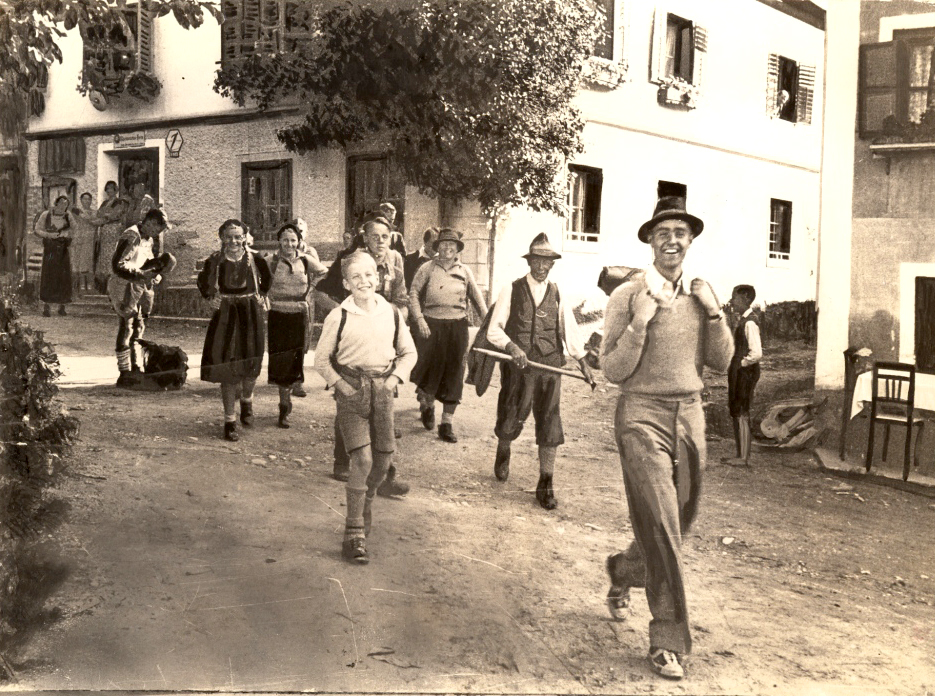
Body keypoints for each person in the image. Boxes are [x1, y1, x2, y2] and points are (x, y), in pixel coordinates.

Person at [599, 196, 733, 681]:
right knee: (660, 522)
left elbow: (722, 361)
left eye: (679, 233)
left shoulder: (702, 295)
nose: (671, 241)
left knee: (680, 520)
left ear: (690, 240)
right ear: (651, 242)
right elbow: (611, 369)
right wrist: (639, 323)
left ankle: (624, 569)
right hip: (640, 415)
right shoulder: (626, 295)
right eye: (662, 234)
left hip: (690, 415)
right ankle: (667, 640)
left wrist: (715, 314)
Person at [314, 251, 417, 564]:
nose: (364, 281)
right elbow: (321, 360)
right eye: (355, 277)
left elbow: (409, 353)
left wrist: (393, 379)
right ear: (346, 283)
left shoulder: (391, 313)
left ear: (379, 278)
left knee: (383, 462)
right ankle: (354, 532)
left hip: (383, 392)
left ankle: (366, 500)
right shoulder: (339, 316)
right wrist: (342, 386)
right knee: (362, 459)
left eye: (369, 275)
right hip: (352, 392)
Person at [486, 232, 593, 510]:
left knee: (550, 421)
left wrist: (582, 362)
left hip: (549, 366)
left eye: (547, 262)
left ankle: (546, 482)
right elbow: (494, 330)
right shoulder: (511, 289)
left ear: (552, 264)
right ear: (529, 261)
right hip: (519, 367)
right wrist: (512, 347)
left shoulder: (557, 292)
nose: (542, 267)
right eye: (537, 261)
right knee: (511, 413)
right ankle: (504, 449)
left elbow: (569, 330)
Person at [329, 215, 410, 494]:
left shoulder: (396, 265)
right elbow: (323, 291)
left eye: (385, 237)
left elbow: (402, 300)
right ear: (365, 238)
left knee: (382, 411)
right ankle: (342, 460)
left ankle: (385, 475)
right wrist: (345, 316)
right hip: (353, 346)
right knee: (350, 404)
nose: (380, 241)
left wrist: (395, 321)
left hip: (383, 343)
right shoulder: (349, 261)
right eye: (374, 236)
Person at [408, 228, 487, 442]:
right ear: (438, 247)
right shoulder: (427, 268)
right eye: (443, 244)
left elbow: (478, 300)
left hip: (457, 327)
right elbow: (413, 294)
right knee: (430, 370)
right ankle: (428, 405)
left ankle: (446, 424)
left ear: (457, 248)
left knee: (454, 372)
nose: (447, 248)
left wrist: (488, 324)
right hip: (431, 326)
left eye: (452, 245)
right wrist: (420, 319)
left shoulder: (465, 271)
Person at [197, 219, 272, 442]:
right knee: (228, 369)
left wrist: (262, 295)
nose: (233, 241)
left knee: (251, 364)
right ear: (222, 237)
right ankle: (229, 421)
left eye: (238, 236)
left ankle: (247, 400)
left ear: (244, 237)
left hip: (250, 314)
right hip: (226, 316)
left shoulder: (256, 258)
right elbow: (203, 283)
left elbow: (267, 279)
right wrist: (210, 297)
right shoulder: (215, 260)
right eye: (229, 236)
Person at [265, 222, 326, 427]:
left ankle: (288, 396)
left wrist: (311, 289)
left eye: (293, 240)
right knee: (280, 359)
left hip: (299, 314)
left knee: (295, 358)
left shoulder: (306, 260)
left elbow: (324, 272)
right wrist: (265, 294)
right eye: (285, 240)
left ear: (299, 241)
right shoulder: (271, 261)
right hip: (277, 314)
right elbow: (257, 277)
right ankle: (283, 404)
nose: (289, 244)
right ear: (279, 241)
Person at [107, 208, 174, 387]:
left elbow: (146, 261)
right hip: (123, 285)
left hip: (138, 285)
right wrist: (141, 274)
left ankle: (135, 367)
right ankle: (124, 372)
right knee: (127, 326)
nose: (159, 233)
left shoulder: (148, 238)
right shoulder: (132, 236)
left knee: (139, 326)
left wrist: (156, 271)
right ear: (150, 223)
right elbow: (117, 265)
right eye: (158, 228)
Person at [289, 217, 328, 398]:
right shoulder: (283, 251)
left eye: (301, 230)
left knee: (302, 340)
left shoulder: (309, 252)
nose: (299, 233)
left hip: (304, 301)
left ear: (306, 233)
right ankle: (286, 377)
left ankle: (297, 381)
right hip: (285, 302)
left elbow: (321, 273)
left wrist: (310, 289)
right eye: (295, 230)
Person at [723, 284, 762, 467]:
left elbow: (757, 353)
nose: (732, 301)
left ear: (746, 298)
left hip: (745, 373)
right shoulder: (743, 320)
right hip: (740, 371)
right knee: (737, 410)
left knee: (741, 411)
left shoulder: (750, 322)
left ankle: (743, 457)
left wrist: (742, 363)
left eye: (735, 298)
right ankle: (741, 454)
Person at [33, 195, 75, 317]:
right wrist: (48, 235)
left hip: (63, 249)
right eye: (61, 203)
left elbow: (74, 229)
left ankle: (62, 306)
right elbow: (37, 229)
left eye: (65, 204)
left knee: (63, 276)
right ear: (56, 204)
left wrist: (67, 234)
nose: (63, 206)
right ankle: (47, 306)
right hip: (50, 249)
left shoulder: (68, 215)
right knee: (49, 275)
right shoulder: (46, 215)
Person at [95, 181, 129, 292]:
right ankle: (104, 286)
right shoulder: (104, 203)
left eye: (111, 188)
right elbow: (99, 214)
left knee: (112, 254)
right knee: (104, 255)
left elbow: (116, 215)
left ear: (116, 190)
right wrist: (106, 215)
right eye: (108, 188)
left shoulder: (120, 202)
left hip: (114, 230)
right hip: (105, 231)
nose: (109, 191)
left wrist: (106, 215)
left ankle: (112, 286)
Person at [70, 192, 99, 292]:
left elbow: (96, 223)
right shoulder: (76, 212)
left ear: (91, 201)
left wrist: (87, 218)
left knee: (88, 261)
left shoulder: (94, 213)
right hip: (79, 238)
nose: (87, 201)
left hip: (90, 239)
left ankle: (90, 283)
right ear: (81, 200)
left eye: (89, 199)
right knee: (79, 261)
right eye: (84, 199)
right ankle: (80, 284)